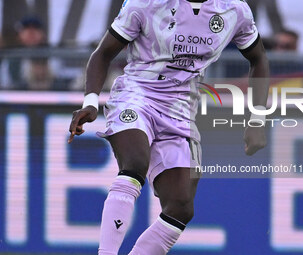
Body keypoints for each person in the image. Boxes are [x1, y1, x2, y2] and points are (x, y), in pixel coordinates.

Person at [68, 0, 269, 254]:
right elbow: (103, 53)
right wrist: (91, 102)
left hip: (181, 110)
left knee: (181, 207)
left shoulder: (234, 10)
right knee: (135, 164)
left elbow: (259, 57)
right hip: (137, 95)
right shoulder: (147, 3)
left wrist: (257, 119)